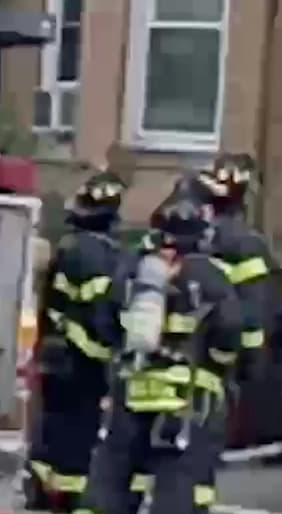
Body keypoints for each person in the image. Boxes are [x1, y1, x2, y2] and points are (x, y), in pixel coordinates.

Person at [78, 191, 244, 514]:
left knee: (113, 476)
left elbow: (104, 321)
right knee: (179, 480)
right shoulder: (211, 275)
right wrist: (222, 368)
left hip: (133, 390)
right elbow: (231, 332)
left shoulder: (133, 270)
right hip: (187, 400)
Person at [24, 171, 128, 513]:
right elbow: (100, 318)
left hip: (55, 357)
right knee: (77, 436)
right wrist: (110, 357)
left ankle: (40, 490)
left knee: (51, 430)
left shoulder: (70, 249)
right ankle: (70, 500)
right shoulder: (103, 257)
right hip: (82, 364)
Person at [199, 155, 282, 448]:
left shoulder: (197, 234)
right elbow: (256, 304)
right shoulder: (244, 242)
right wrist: (253, 359)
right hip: (231, 345)